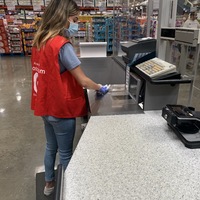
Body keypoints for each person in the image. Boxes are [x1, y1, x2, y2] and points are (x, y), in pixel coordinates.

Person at [31, 0, 109, 196]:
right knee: (65, 152)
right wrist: (100, 87)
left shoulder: (39, 41)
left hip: (45, 106)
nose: (76, 24)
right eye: (74, 19)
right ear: (64, 18)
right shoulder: (62, 45)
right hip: (61, 109)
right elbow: (82, 80)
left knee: (50, 147)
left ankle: (49, 185)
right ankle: (71, 191)